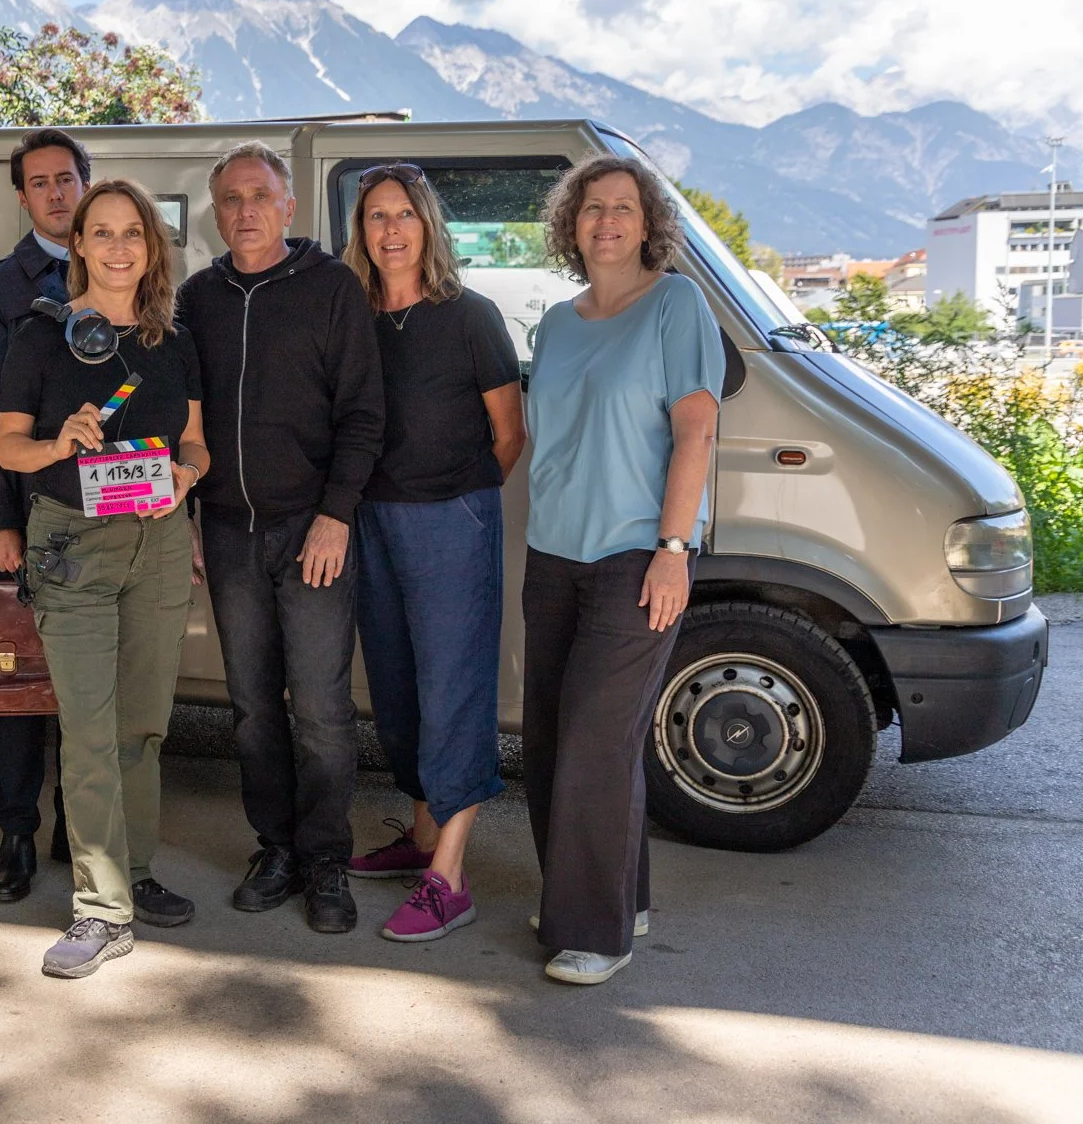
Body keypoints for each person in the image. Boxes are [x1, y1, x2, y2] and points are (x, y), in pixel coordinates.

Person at [0, 178, 210, 978]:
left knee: (143, 724)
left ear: (151, 247)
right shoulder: (41, 337)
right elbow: (7, 447)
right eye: (102, 232)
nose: (118, 247)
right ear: (78, 244)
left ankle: (134, 872)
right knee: (88, 729)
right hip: (73, 545)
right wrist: (59, 443)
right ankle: (99, 910)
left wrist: (186, 479)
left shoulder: (172, 341)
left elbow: (196, 446)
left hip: (157, 544)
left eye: (134, 233)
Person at [522, 155, 724, 985]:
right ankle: (615, 892)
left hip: (636, 555)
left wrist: (674, 551)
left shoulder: (677, 305)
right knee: (549, 739)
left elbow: (696, 435)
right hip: (553, 553)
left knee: (597, 746)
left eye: (623, 208)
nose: (606, 220)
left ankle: (594, 933)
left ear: (649, 225)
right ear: (572, 225)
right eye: (591, 208)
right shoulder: (558, 324)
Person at [176, 141, 385, 935]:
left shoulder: (332, 288)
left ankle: (329, 858)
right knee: (253, 707)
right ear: (215, 210)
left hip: (313, 531)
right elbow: (179, 420)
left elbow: (364, 415)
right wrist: (191, 516)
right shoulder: (199, 297)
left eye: (260, 195)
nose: (245, 211)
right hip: (228, 531)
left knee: (324, 710)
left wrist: (335, 515)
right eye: (230, 198)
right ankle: (277, 849)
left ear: (289, 205)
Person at [340, 164, 525, 942]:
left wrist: (461, 503)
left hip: (452, 520)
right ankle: (420, 840)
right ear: (362, 230)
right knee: (396, 684)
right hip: (371, 520)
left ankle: (449, 876)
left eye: (404, 215)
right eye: (376, 216)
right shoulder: (351, 316)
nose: (390, 230)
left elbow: (509, 434)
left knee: (453, 690)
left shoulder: (471, 316)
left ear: (428, 226)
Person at [0, 128, 85, 902]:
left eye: (66, 179)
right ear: (22, 196)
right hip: (29, 511)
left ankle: (79, 824)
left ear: (85, 182)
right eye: (39, 182)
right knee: (16, 679)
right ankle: (15, 832)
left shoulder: (125, 273)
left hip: (112, 516)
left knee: (87, 681)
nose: (55, 192)